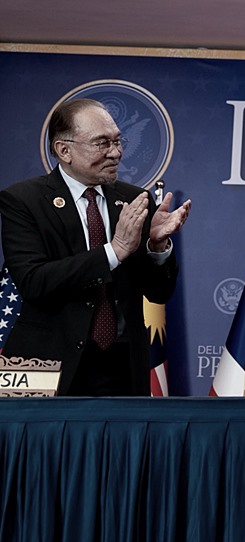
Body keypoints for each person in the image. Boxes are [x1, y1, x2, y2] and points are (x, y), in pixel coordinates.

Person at [0, 98, 192, 396]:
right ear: (64, 150)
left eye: (117, 141)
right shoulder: (23, 201)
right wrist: (113, 252)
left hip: (123, 366)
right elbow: (34, 282)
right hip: (51, 365)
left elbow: (159, 293)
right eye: (102, 143)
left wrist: (157, 246)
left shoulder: (135, 200)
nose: (115, 152)